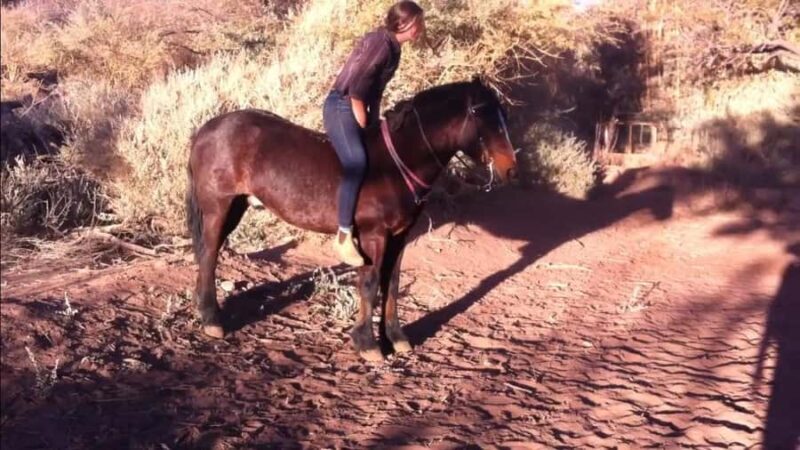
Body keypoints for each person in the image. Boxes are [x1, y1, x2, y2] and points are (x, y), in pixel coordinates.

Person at [323, 1, 426, 266]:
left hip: (357, 105)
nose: (422, 29)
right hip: (342, 105)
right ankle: (343, 235)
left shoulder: (394, 48)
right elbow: (357, 90)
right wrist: (365, 123)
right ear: (405, 24)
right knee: (357, 162)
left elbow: (376, 92)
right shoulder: (381, 43)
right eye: (420, 23)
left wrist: (376, 123)